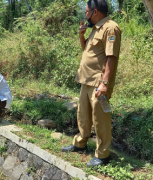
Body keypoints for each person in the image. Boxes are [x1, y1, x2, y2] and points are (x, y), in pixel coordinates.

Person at [61, 0, 121, 167]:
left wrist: (104, 83)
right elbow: (87, 51)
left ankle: (103, 155)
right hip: (86, 80)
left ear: (95, 12)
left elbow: (111, 58)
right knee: (83, 115)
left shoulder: (110, 28)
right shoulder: (95, 29)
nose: (85, 15)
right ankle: (80, 143)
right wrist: (81, 36)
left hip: (98, 83)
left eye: (86, 11)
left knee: (100, 118)